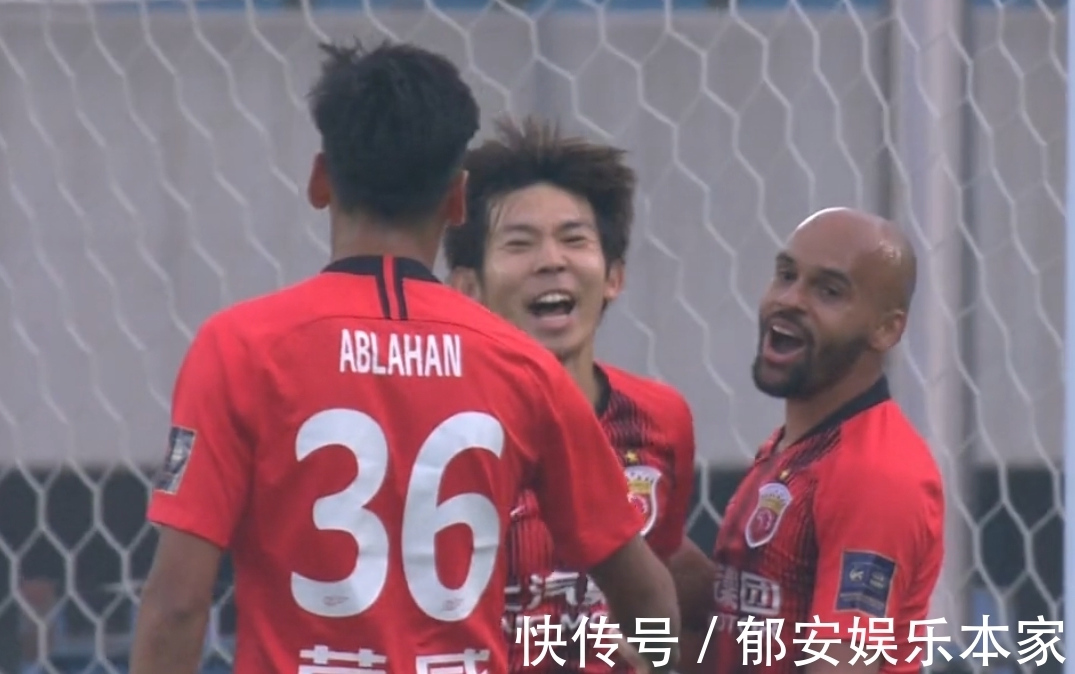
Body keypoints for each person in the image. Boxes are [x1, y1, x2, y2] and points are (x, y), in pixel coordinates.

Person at [128, 42, 680, 674]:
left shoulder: (242, 348)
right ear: (458, 199)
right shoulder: (522, 367)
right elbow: (650, 596)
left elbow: (178, 605)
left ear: (319, 180)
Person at [444, 117, 716, 674]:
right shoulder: (441, 430)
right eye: (520, 243)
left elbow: (665, 588)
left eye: (574, 239)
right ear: (468, 289)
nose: (552, 260)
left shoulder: (661, 420)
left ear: (614, 276)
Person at [703, 207, 945, 674]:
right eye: (786, 275)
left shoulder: (875, 474)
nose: (789, 299)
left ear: (886, 329)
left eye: (828, 291)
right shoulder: (794, 449)